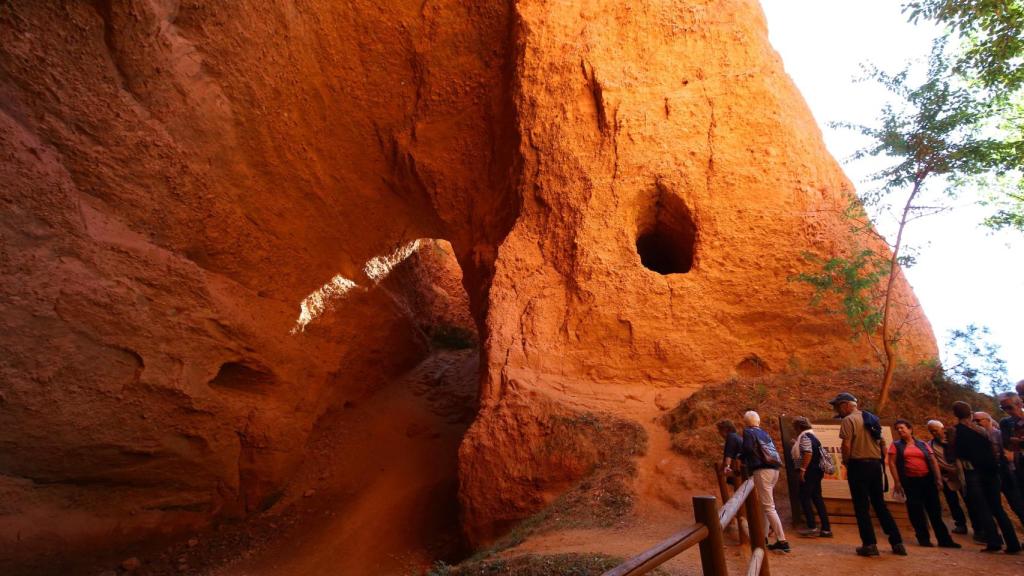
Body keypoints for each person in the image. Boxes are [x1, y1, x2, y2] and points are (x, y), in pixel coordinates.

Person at [830, 391, 906, 557]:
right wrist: (880, 461)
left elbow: (846, 445)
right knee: (880, 504)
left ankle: (869, 544)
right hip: (875, 466)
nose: (837, 410)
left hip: (858, 465)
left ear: (846, 405)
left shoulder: (849, 420)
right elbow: (882, 444)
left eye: (838, 407)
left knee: (861, 507)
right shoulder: (871, 418)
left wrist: (847, 462)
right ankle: (897, 542)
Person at [951, 401, 1021, 553]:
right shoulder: (981, 430)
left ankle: (994, 541)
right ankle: (1013, 543)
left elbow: (955, 454)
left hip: (972, 472)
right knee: (997, 508)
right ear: (970, 413)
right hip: (991, 472)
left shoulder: (956, 431)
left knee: (983, 508)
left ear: (955, 414)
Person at [887, 419, 961, 548]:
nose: (899, 430)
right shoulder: (896, 445)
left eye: (902, 428)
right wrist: (897, 481)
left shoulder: (922, 444)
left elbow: (932, 460)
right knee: (916, 511)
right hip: (910, 481)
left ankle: (944, 540)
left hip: (927, 480)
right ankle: (923, 538)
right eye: (897, 429)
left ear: (910, 429)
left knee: (935, 511)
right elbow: (892, 463)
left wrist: (938, 478)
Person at [741, 410, 790, 552]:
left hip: (762, 470)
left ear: (746, 422)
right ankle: (763, 537)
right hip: (774, 469)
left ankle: (782, 541)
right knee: (766, 505)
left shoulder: (748, 432)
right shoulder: (764, 433)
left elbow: (748, 448)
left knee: (768, 507)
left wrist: (742, 458)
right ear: (758, 421)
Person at [975, 411, 1024, 527]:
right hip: (991, 475)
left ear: (988, 420)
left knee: (1017, 504)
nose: (976, 423)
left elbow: (1009, 455)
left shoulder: (999, 435)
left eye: (978, 420)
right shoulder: (978, 437)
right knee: (997, 506)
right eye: (974, 421)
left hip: (1006, 474)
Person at [926, 419, 973, 536]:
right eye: (931, 431)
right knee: (952, 502)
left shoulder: (954, 440)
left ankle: (977, 525)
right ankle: (960, 524)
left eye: (935, 430)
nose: (934, 433)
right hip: (946, 476)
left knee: (969, 500)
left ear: (942, 429)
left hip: (961, 474)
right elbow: (933, 461)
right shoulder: (930, 445)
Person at [790, 416, 832, 538]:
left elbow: (808, 453)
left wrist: (803, 470)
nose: (794, 430)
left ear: (799, 427)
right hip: (816, 471)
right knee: (817, 498)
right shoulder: (812, 437)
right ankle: (826, 529)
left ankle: (811, 526)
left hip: (810, 472)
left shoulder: (804, 437)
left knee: (804, 497)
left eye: (795, 427)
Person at [998, 392, 1024, 498]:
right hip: (1019, 466)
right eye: (1003, 408)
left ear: (1020, 404)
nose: (1007, 411)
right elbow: (1007, 445)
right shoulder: (1005, 423)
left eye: (1009, 407)